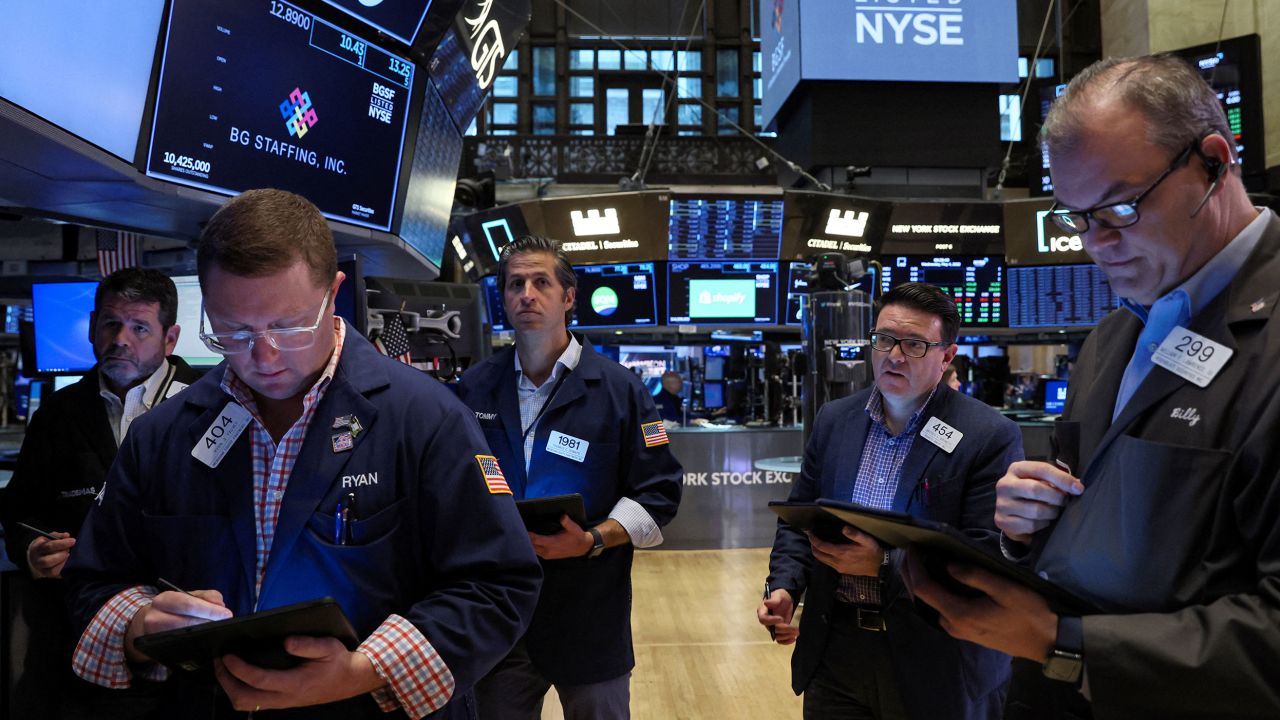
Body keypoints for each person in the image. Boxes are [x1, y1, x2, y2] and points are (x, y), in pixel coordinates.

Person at [62, 189, 542, 719]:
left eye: (289, 327)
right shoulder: (163, 435)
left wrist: (367, 670)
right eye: (233, 331)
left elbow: (497, 583)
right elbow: (92, 581)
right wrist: (137, 625)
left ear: (332, 293)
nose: (262, 356)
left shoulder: (427, 419)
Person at [904, 54, 1280, 719]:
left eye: (1120, 208)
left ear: (1214, 163)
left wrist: (1066, 645)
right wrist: (1028, 530)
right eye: (1075, 217)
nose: (1095, 244)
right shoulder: (1113, 339)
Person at [759, 282, 1024, 719]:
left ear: (947, 356)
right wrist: (785, 584)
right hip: (836, 650)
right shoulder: (835, 420)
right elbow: (798, 520)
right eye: (884, 339)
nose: (894, 355)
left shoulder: (987, 435)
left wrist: (883, 565)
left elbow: (985, 557)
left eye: (915, 344)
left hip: (937, 656)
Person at [458, 235, 683, 720]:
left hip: (590, 616)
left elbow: (659, 491)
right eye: (515, 284)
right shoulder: (472, 390)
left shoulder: (621, 391)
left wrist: (593, 540)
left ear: (568, 296)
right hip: (501, 618)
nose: (527, 294)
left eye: (541, 282)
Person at [1, 267, 203, 719]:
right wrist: (31, 549)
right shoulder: (59, 413)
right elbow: (18, 511)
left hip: (186, 639)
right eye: (111, 324)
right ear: (93, 326)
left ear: (170, 339)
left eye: (139, 327)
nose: (121, 339)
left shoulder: (212, 405)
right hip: (85, 640)